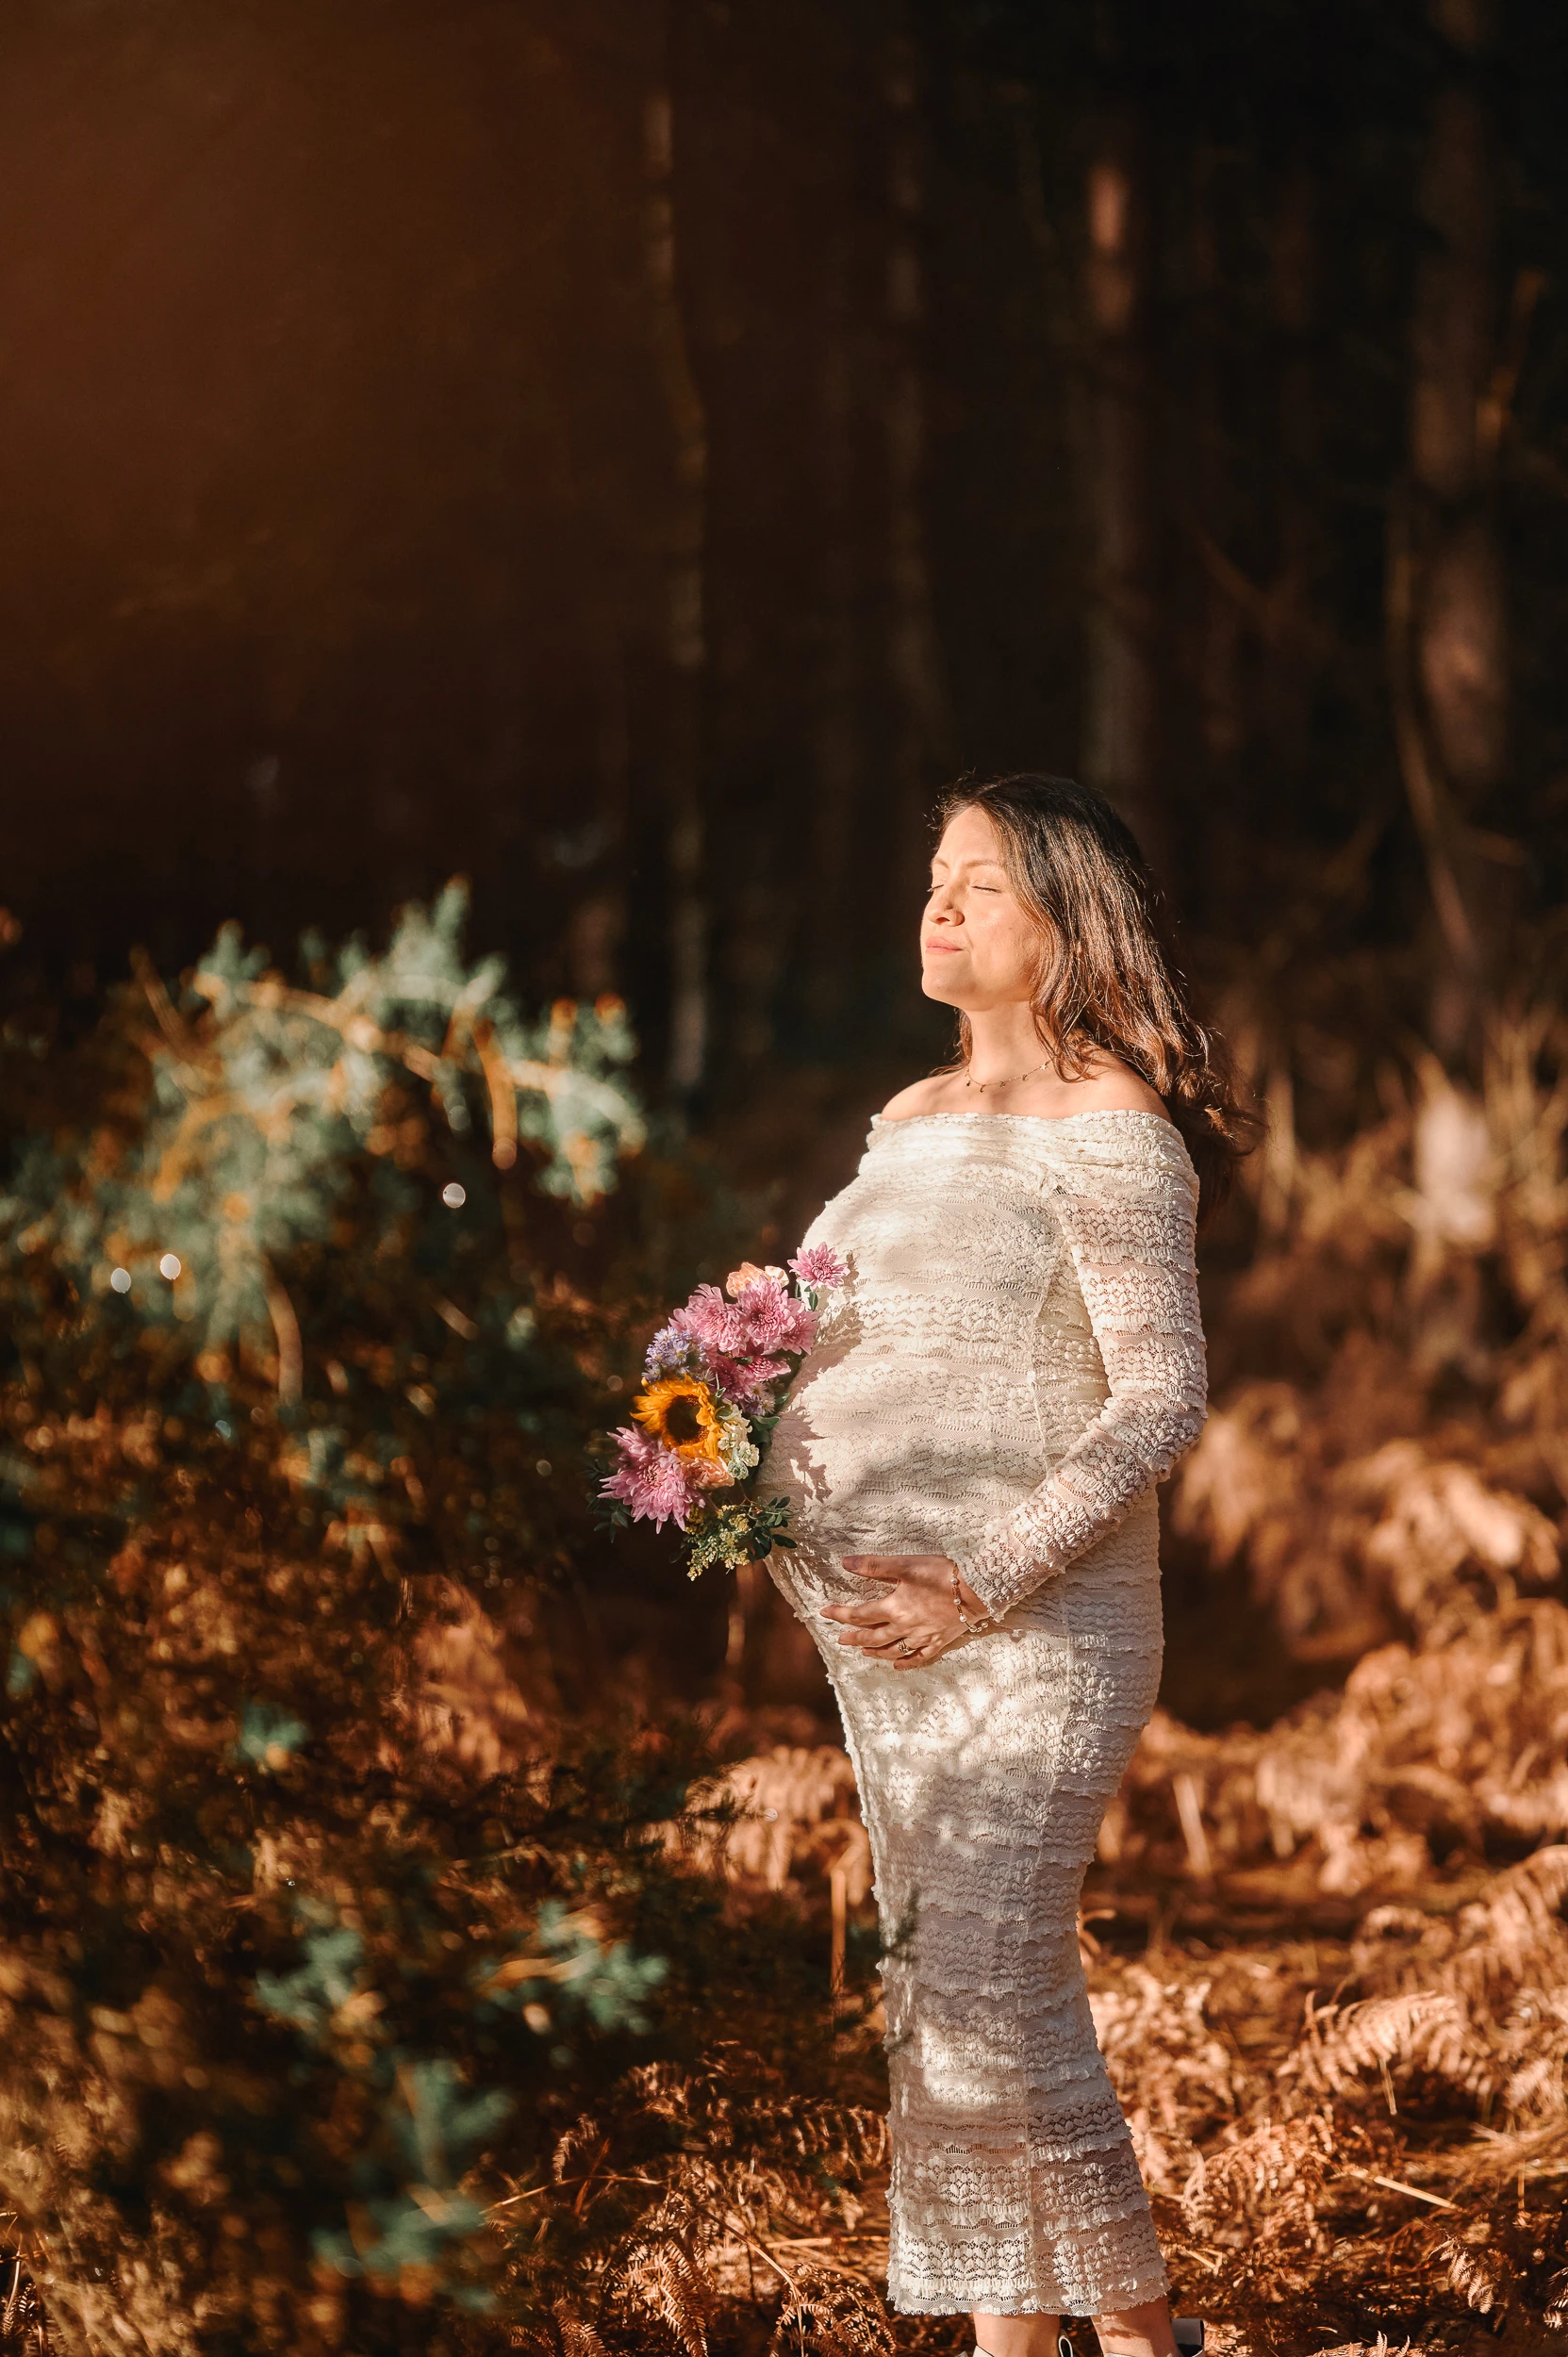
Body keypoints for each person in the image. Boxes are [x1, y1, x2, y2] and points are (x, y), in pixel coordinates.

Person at [767, 773, 1251, 2357]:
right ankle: (1025, 2338)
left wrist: (978, 1578)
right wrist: (727, 1414)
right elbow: (833, 1333)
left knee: (981, 1983)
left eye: (979, 879)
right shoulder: (905, 1125)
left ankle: (1131, 2334)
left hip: (1032, 1631)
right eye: (933, 876)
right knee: (947, 1995)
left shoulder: (1111, 1126)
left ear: (1064, 918)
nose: (940, 902)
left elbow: (1158, 1398)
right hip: (884, 1639)